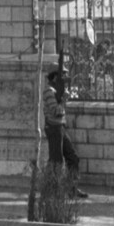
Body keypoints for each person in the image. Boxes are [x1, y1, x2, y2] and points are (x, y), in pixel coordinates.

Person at [44, 67, 88, 198]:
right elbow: (56, 111)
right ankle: (51, 190)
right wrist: (63, 99)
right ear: (55, 77)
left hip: (60, 128)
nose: (65, 77)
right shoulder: (48, 91)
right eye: (62, 75)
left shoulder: (57, 90)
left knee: (73, 157)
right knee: (56, 162)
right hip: (53, 128)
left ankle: (71, 188)